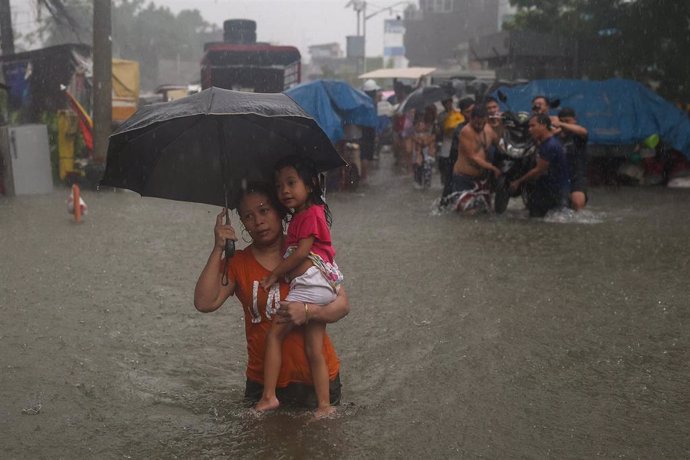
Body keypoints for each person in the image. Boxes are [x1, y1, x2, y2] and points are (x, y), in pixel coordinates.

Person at [193, 182, 349, 415]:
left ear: (279, 211)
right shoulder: (239, 264)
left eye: (264, 211)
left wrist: (308, 312)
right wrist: (218, 248)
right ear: (243, 224)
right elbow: (205, 303)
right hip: (262, 384)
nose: (258, 221)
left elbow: (343, 305)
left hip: (316, 383)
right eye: (248, 216)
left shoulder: (305, 252)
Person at [255, 156, 344, 417]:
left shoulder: (310, 214)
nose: (284, 190)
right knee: (313, 349)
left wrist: (273, 275)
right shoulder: (304, 215)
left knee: (274, 335)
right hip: (321, 286)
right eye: (279, 185)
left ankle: (269, 396)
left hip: (310, 285)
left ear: (311, 184)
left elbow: (300, 253)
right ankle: (324, 406)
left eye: (291, 183)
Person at [510, 113, 571, 217]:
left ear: (543, 126)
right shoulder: (544, 142)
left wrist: (518, 182)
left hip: (554, 191)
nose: (529, 129)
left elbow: (538, 170)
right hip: (548, 189)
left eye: (533, 126)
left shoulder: (550, 145)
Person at [450, 104, 501, 213]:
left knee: (486, 212)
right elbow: (474, 157)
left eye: (482, 123)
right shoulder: (466, 131)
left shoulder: (488, 129)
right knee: (467, 213)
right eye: (476, 122)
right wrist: (493, 168)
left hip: (482, 179)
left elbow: (499, 144)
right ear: (471, 119)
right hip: (463, 179)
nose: (479, 125)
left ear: (486, 119)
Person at [439, 97, 473, 203]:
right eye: (468, 112)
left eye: (473, 111)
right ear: (462, 113)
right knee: (449, 197)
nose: (471, 114)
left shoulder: (481, 125)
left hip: (474, 169)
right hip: (456, 167)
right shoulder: (460, 129)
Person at [554, 107, 589, 210]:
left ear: (574, 120)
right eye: (562, 120)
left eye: (567, 121)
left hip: (576, 176)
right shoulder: (555, 135)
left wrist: (560, 124)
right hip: (558, 176)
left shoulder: (577, 135)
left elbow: (583, 131)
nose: (565, 123)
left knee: (577, 203)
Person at [437, 97, 463, 186]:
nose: (447, 105)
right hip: (446, 145)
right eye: (445, 103)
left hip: (458, 145)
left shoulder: (458, 113)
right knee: (445, 170)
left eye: (448, 102)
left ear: (451, 102)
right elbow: (442, 129)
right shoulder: (441, 116)